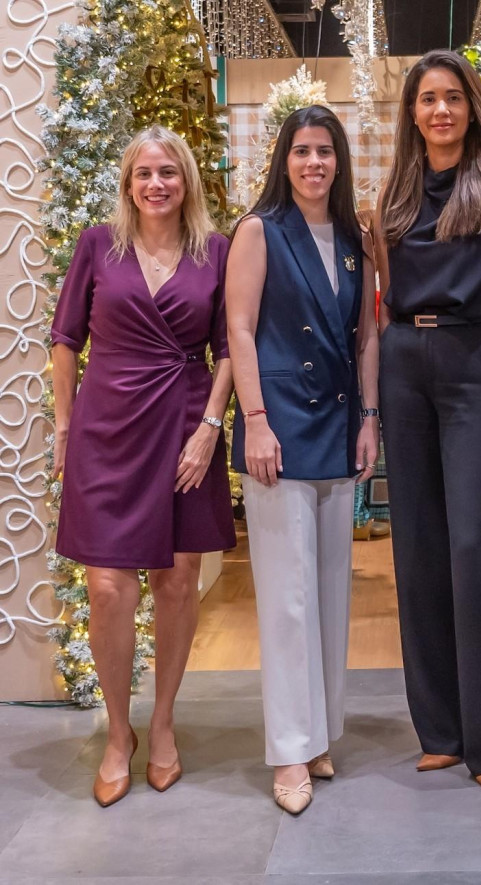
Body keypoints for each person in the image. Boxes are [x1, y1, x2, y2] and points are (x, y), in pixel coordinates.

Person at [374, 50, 481, 788]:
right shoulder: (396, 197)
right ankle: (439, 728)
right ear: (412, 112)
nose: (440, 110)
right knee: (416, 549)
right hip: (407, 361)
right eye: (427, 99)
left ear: (473, 107)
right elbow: (377, 300)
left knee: (476, 548)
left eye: (452, 97)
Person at [51, 125, 235, 807]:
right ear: (127, 183)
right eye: (144, 174)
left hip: (186, 419)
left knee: (178, 577)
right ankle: (118, 732)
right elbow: (66, 340)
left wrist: (211, 427)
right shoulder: (99, 245)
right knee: (106, 586)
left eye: (169, 172)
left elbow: (228, 347)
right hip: (106, 425)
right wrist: (66, 429)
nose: (157, 184)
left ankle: (162, 722)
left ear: (187, 180)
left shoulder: (214, 249)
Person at [226, 105, 379, 815]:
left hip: (341, 422)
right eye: (302, 151)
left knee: (329, 590)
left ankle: (320, 732)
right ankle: (289, 747)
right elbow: (240, 328)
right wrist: (254, 420)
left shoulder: (354, 237)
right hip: (279, 430)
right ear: (283, 160)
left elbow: (368, 334)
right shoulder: (260, 231)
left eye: (325, 151)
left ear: (339, 161)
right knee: (286, 599)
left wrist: (370, 418)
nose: (314, 162)